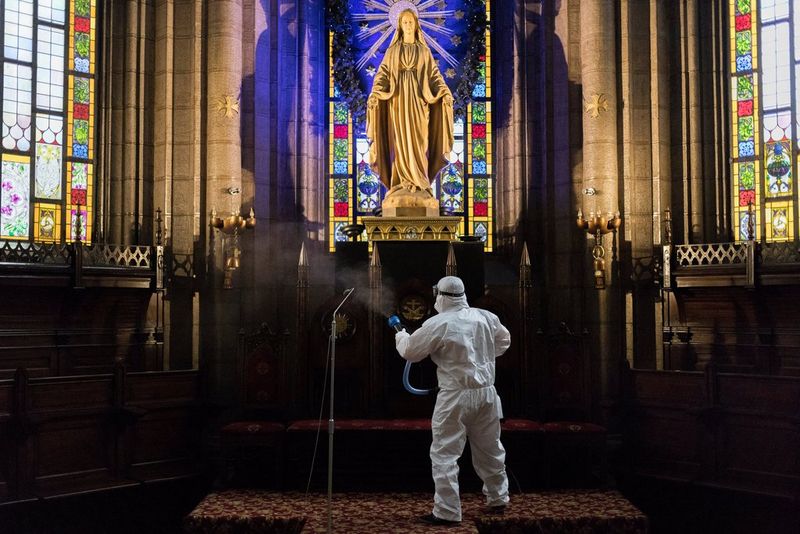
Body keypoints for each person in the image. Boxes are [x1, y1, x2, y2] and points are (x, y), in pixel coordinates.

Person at [394, 276, 511, 526]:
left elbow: (410, 352)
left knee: (444, 453)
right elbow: (504, 341)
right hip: (486, 394)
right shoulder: (486, 317)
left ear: (440, 295)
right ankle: (498, 497)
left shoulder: (438, 323)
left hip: (455, 396)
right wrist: (481, 355)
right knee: (490, 447)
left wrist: (401, 336)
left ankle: (447, 511)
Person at [366, 8, 454, 209]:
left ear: (416, 25)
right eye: (404, 22)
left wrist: (444, 92)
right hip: (398, 103)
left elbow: (434, 76)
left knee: (420, 142)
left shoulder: (423, 51)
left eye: (410, 22)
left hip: (419, 103)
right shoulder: (392, 52)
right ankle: (400, 182)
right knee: (400, 143)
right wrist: (375, 93)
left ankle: (420, 182)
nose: (407, 25)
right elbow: (383, 75)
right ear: (399, 26)